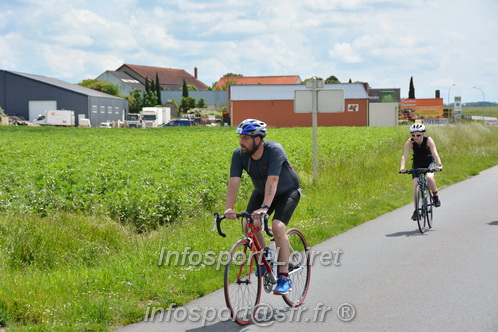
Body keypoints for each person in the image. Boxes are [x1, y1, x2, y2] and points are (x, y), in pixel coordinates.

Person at [224, 119, 301, 295]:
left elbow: (273, 180)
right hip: (261, 191)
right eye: (240, 138)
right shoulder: (239, 155)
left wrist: (265, 208)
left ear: (257, 139)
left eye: (245, 138)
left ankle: (284, 278)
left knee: (277, 226)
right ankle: (265, 256)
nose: (241, 142)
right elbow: (233, 182)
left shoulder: (274, 150)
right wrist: (229, 208)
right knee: (248, 223)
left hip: (286, 191)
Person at [400, 123, 443, 220]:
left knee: (428, 177)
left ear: (423, 134)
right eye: (413, 135)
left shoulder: (428, 140)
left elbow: (435, 154)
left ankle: (435, 195)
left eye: (418, 135)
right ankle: (416, 210)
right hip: (417, 163)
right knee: (416, 185)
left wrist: (439, 165)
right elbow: (404, 156)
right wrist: (402, 168)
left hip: (429, 163)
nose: (415, 137)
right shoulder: (410, 142)